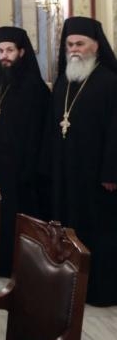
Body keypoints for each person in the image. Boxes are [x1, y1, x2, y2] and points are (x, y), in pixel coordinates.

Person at [45, 17, 117, 306]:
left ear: (96, 46)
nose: (74, 49)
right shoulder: (64, 80)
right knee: (67, 227)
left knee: (96, 231)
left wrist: (111, 171)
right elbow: (53, 125)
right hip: (65, 170)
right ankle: (69, 287)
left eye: (80, 44)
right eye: (70, 45)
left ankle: (99, 290)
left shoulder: (110, 82)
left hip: (96, 173)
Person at [0, 26, 49, 276]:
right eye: (0, 51)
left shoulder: (34, 87)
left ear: (22, 52)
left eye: (10, 50)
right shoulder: (0, 81)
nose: (4, 56)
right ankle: (0, 264)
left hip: (21, 171)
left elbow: (37, 134)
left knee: (18, 218)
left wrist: (27, 168)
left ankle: (20, 270)